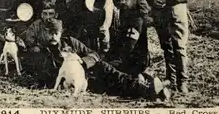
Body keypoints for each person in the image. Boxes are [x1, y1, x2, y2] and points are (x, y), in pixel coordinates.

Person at [23, 18, 170, 101]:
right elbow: (47, 76)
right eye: (50, 33)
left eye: (56, 33)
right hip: (81, 83)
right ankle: (148, 90)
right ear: (45, 33)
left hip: (90, 70)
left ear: (61, 33)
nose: (53, 37)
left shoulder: (70, 42)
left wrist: (83, 63)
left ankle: (149, 88)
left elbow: (94, 54)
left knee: (106, 68)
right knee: (113, 87)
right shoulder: (43, 50)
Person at [107, 0, 150, 76]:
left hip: (135, 61)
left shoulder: (136, 19)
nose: (123, 2)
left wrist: (114, 61)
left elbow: (129, 47)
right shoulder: (126, 16)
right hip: (127, 58)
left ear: (134, 1)